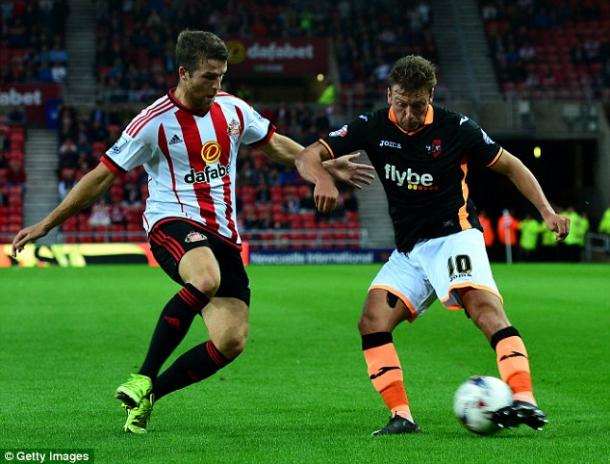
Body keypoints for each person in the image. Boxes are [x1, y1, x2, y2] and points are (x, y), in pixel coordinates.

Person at [11, 30, 375, 434]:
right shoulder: (152, 123)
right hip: (172, 223)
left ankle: (150, 397)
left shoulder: (233, 110)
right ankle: (143, 375)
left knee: (231, 340)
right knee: (205, 278)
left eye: (221, 76)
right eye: (207, 77)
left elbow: (275, 145)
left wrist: (321, 167)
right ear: (184, 73)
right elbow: (99, 178)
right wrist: (47, 223)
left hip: (223, 234)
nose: (215, 85)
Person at [296, 55, 570, 436]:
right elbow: (308, 154)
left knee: (482, 308)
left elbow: (510, 165)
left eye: (418, 105)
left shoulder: (456, 127)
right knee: (371, 321)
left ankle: (524, 399)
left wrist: (545, 210)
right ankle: (402, 417)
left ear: (431, 96)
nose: (408, 114)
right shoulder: (372, 125)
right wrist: (321, 178)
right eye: (400, 104)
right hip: (410, 250)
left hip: (454, 236)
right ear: (389, 94)